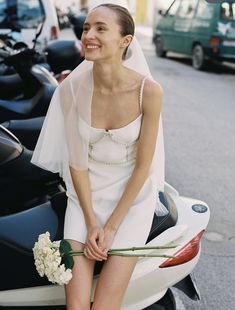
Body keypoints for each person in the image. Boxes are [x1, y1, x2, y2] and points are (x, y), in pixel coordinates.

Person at [32, 3, 167, 310]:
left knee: (105, 305)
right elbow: (77, 164)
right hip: (85, 197)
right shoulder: (70, 90)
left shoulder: (150, 91)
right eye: (86, 28)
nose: (89, 35)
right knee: (76, 306)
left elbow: (144, 165)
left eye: (101, 28)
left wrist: (111, 227)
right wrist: (92, 222)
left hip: (131, 201)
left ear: (126, 41)